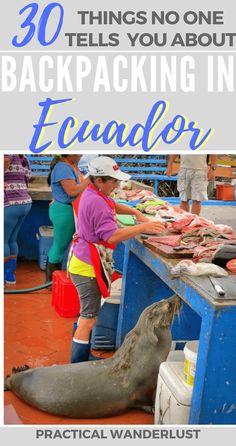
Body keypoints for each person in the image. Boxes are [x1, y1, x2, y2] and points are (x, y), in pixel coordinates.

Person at [68, 156, 166, 363]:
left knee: (87, 313)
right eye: (113, 180)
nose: (117, 184)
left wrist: (134, 212)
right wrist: (143, 227)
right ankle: (76, 365)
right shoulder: (97, 201)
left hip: (83, 259)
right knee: (89, 318)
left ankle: (84, 351)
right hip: (87, 266)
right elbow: (110, 236)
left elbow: (111, 204)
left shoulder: (94, 193)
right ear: (99, 180)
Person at [46, 154, 90, 282]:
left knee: (63, 245)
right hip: (64, 210)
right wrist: (90, 179)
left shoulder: (72, 166)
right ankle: (51, 282)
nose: (81, 155)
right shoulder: (62, 167)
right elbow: (72, 191)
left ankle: (54, 281)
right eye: (78, 152)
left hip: (70, 209)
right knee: (60, 246)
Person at [4, 155, 32, 284]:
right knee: (11, 240)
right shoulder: (24, 158)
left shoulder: (7, 152)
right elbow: (27, 178)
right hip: (24, 202)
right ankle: (9, 276)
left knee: (3, 241)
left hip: (10, 202)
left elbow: (5, 160)